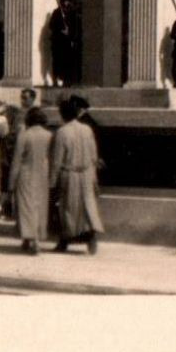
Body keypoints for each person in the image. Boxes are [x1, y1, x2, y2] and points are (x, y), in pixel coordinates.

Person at [50, 97, 104, 254]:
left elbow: (57, 160)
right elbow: (94, 155)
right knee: (87, 206)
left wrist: (52, 182)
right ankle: (90, 237)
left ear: (62, 114)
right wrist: (94, 176)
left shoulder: (62, 132)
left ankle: (64, 241)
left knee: (68, 208)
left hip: (70, 174)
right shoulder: (87, 129)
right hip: (87, 173)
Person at [9, 106, 54, 254]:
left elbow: (16, 160)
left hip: (26, 173)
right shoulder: (49, 135)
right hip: (43, 174)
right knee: (40, 206)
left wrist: (11, 182)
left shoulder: (24, 135)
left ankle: (30, 238)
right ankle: (34, 238)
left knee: (26, 206)